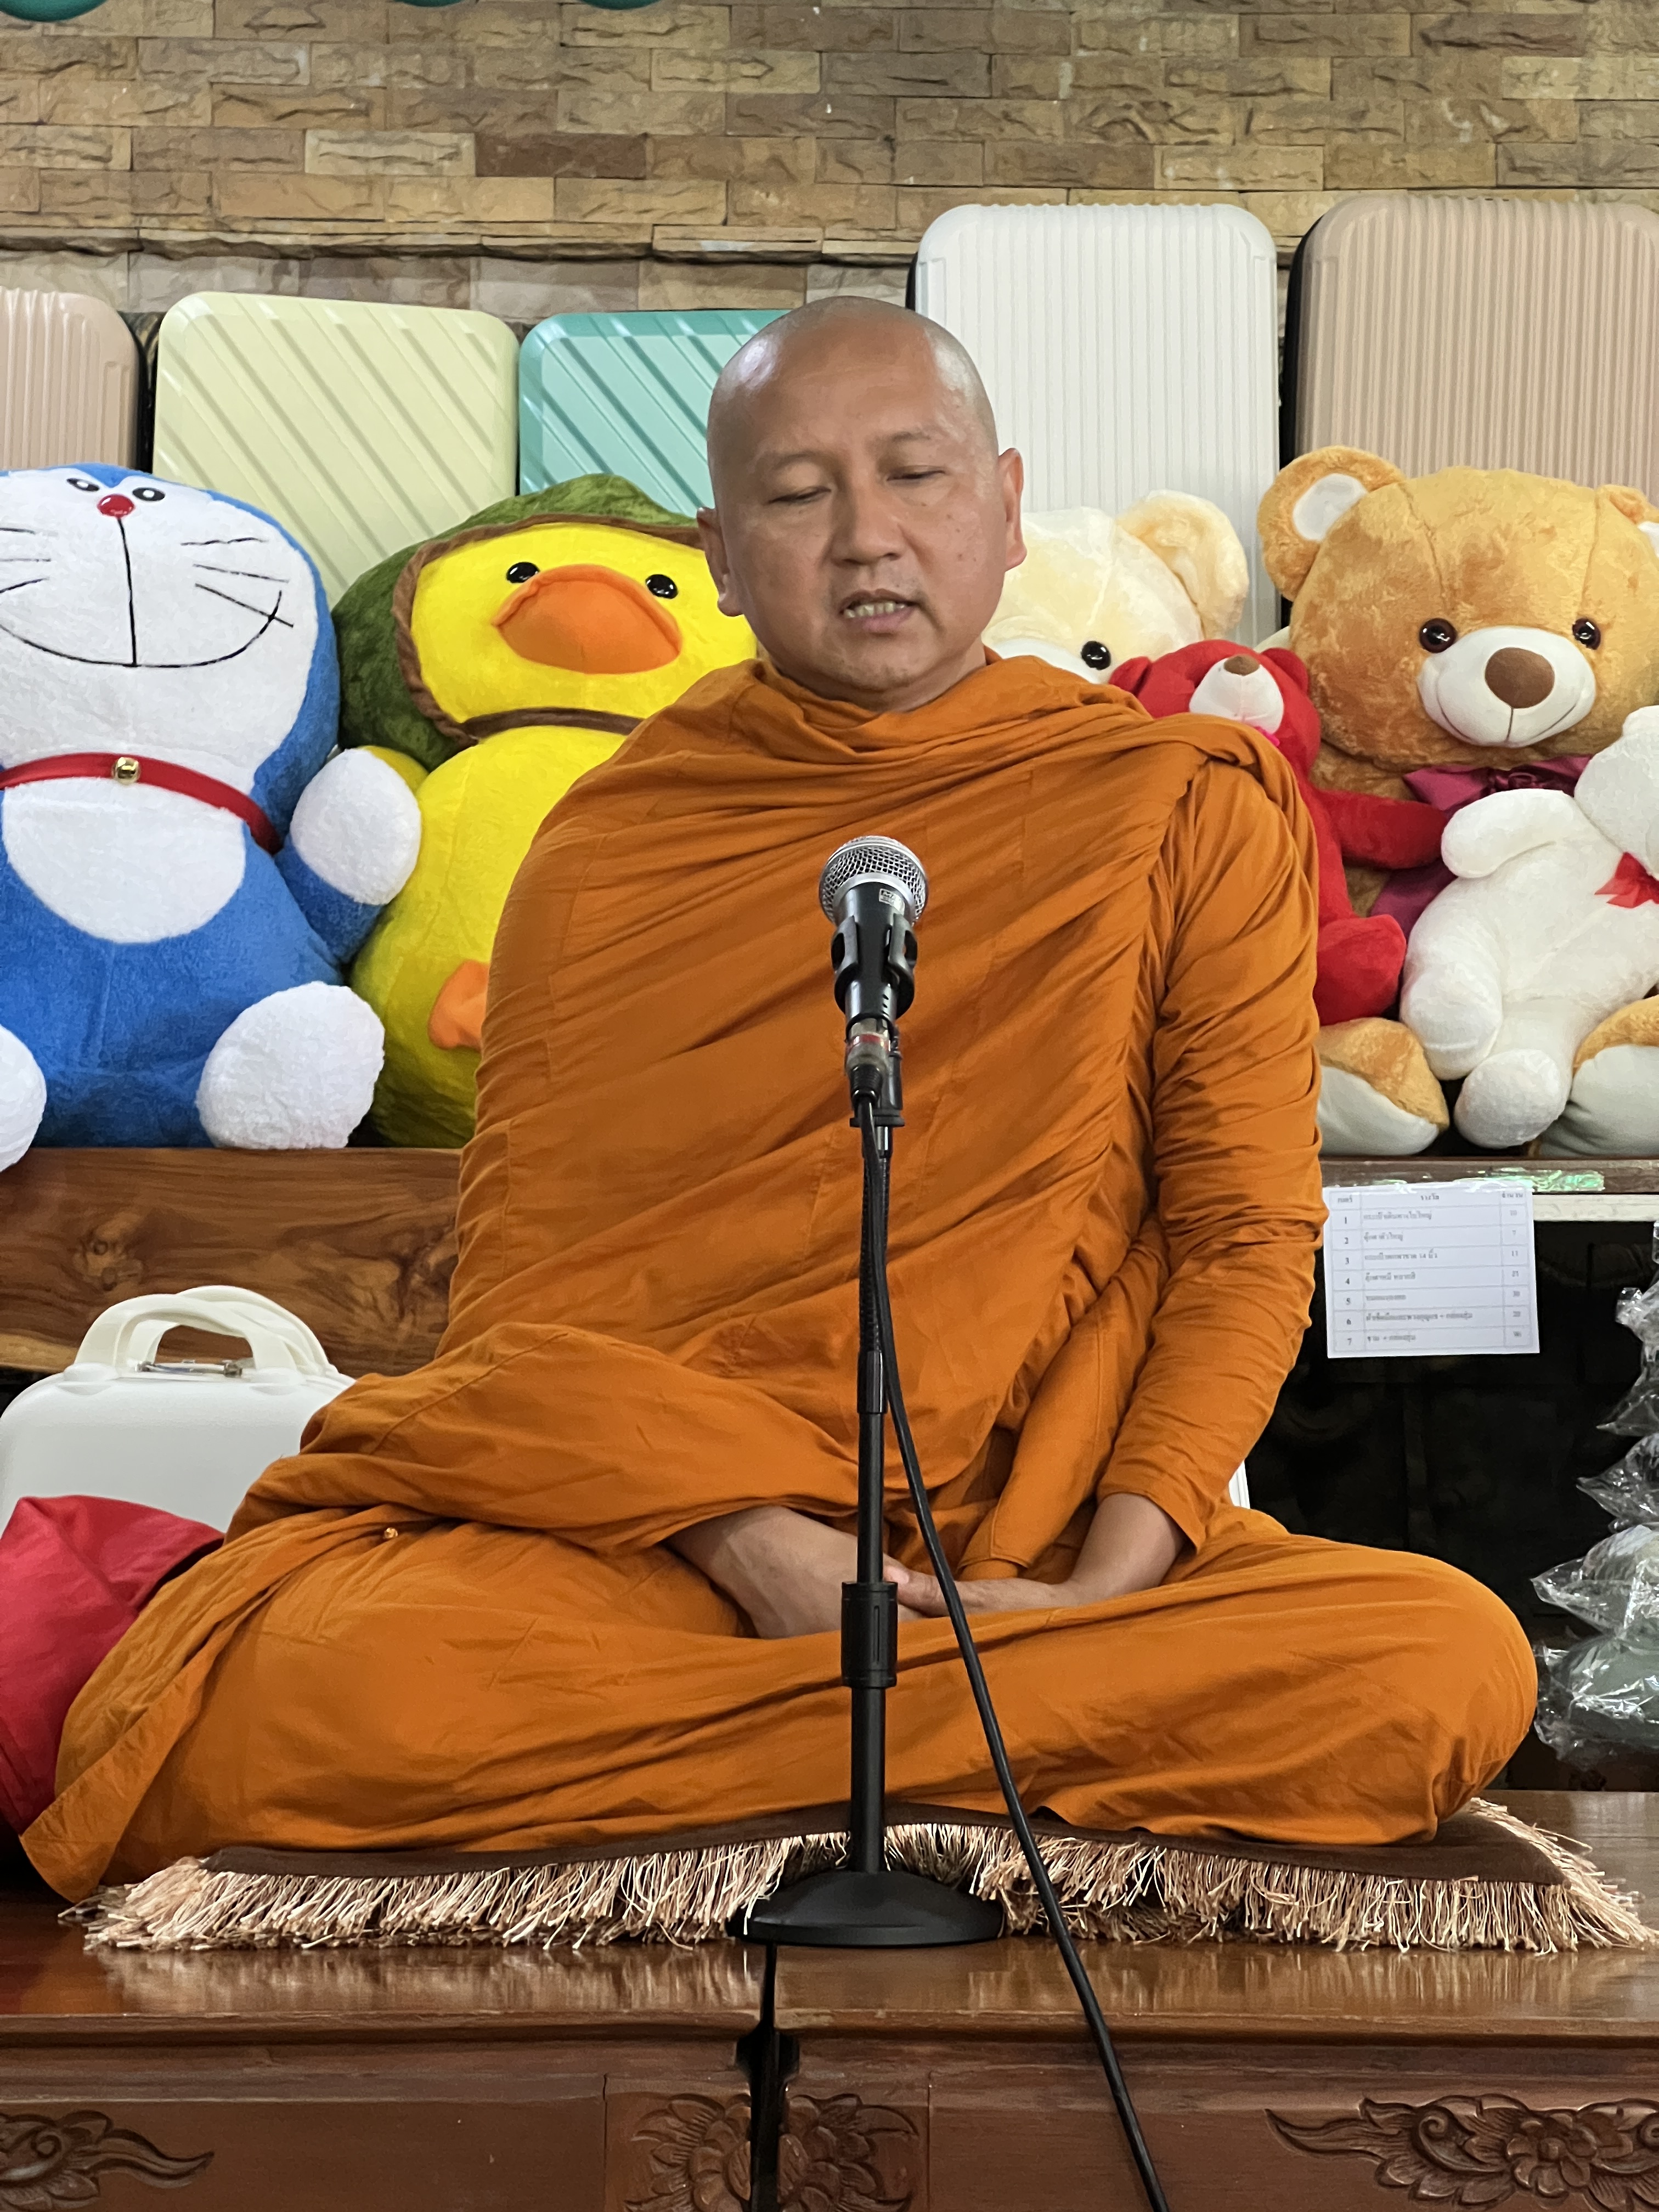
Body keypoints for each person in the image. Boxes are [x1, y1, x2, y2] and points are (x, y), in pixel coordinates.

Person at [24, 300, 1534, 1902]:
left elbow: (1244, 1231)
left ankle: (830, 1756)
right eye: (800, 494)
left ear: (1006, 505)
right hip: (656, 1538)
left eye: (915, 476)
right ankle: (954, 1757)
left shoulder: (1175, 803)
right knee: (311, 1688)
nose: (868, 536)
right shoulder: (616, 843)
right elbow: (529, 1309)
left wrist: (1106, 1588)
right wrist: (755, 1545)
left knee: (1441, 1662)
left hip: (1021, 1546)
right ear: (723, 557)